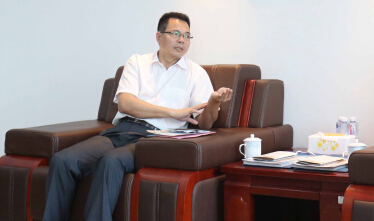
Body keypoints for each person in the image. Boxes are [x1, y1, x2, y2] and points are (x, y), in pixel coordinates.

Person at [43, 12, 232, 221]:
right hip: (121, 131)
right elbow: (126, 103)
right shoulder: (137, 63)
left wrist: (213, 103)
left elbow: (204, 123)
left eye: (187, 36)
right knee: (62, 161)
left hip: (155, 139)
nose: (182, 40)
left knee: (111, 162)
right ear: (159, 36)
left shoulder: (196, 74)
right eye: (176, 34)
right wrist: (173, 112)